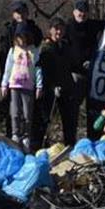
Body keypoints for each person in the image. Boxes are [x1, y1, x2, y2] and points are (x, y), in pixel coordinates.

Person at [61, 0, 101, 138]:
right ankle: (70, 141)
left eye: (84, 11)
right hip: (75, 75)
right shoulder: (67, 27)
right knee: (72, 110)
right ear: (74, 12)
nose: (81, 14)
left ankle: (93, 139)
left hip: (92, 75)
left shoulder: (93, 25)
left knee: (93, 110)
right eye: (79, 11)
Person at [0, 24, 42, 149]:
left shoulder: (33, 51)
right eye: (19, 38)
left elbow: (38, 69)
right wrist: (4, 84)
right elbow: (7, 68)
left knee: (27, 113)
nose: (22, 40)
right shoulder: (13, 50)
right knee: (15, 112)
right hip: (14, 85)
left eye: (24, 37)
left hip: (28, 85)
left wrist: (39, 85)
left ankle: (26, 136)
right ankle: (15, 134)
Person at [33, 19, 68, 148]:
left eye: (61, 29)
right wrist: (51, 86)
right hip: (47, 89)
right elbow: (43, 70)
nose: (59, 31)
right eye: (56, 28)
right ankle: (39, 145)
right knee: (44, 119)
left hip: (60, 87)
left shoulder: (63, 46)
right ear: (50, 30)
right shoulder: (46, 47)